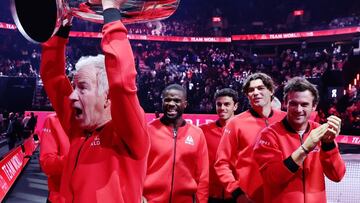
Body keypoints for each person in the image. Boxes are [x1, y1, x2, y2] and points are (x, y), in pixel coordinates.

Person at [39, 0, 150, 202]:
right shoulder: (78, 129)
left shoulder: (128, 135)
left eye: (82, 87)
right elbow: (52, 76)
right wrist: (64, 20)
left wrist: (111, 12)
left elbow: (122, 82)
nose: (71, 95)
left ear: (107, 95)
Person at [254, 77, 346, 203]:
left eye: (304, 104)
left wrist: (329, 145)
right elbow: (273, 179)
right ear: (285, 103)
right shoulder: (269, 135)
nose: (298, 110)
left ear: (314, 106)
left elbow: (337, 176)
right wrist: (304, 149)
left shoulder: (321, 132)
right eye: (293, 103)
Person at [214, 73, 286, 203]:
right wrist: (237, 193)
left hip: (283, 197)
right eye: (251, 90)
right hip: (249, 198)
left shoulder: (286, 120)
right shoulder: (236, 123)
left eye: (260, 88)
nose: (256, 92)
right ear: (247, 96)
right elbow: (221, 164)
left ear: (271, 91)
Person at [143, 84, 209, 203]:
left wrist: (202, 201)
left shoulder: (197, 133)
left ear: (185, 104)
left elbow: (203, 176)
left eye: (177, 100)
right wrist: (138, 194)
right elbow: (137, 168)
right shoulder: (148, 131)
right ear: (162, 102)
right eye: (167, 100)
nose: (171, 104)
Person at [199, 88, 238, 202]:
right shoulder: (202, 130)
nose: (222, 108)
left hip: (236, 194)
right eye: (219, 104)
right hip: (211, 195)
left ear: (235, 106)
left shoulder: (244, 130)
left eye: (227, 104)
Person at [39, 114, 70, 203]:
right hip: (60, 197)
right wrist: (75, 158)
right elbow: (46, 163)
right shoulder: (53, 120)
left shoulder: (107, 123)